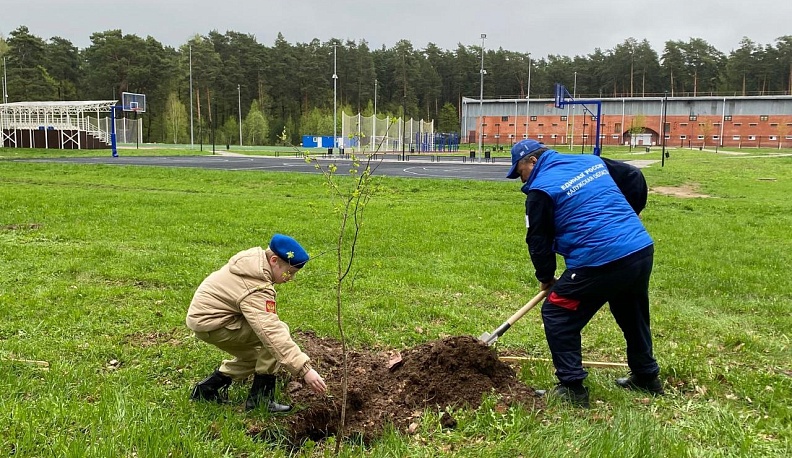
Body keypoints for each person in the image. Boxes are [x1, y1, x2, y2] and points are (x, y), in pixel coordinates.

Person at [506, 139, 663, 408]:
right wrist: (626, 219)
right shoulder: (589, 161)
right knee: (630, 309)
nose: (521, 178)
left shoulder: (540, 189)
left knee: (558, 312)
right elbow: (634, 176)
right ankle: (646, 376)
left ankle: (572, 388)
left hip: (600, 260)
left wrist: (546, 277)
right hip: (639, 250)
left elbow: (538, 239)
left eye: (519, 171)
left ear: (532, 161)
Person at [186, 234, 327, 412]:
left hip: (207, 320)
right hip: (215, 324)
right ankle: (260, 400)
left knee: (257, 358)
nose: (290, 278)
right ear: (274, 260)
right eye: (289, 272)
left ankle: (206, 389)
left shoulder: (254, 264)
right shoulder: (256, 285)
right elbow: (270, 332)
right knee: (276, 338)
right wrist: (305, 369)